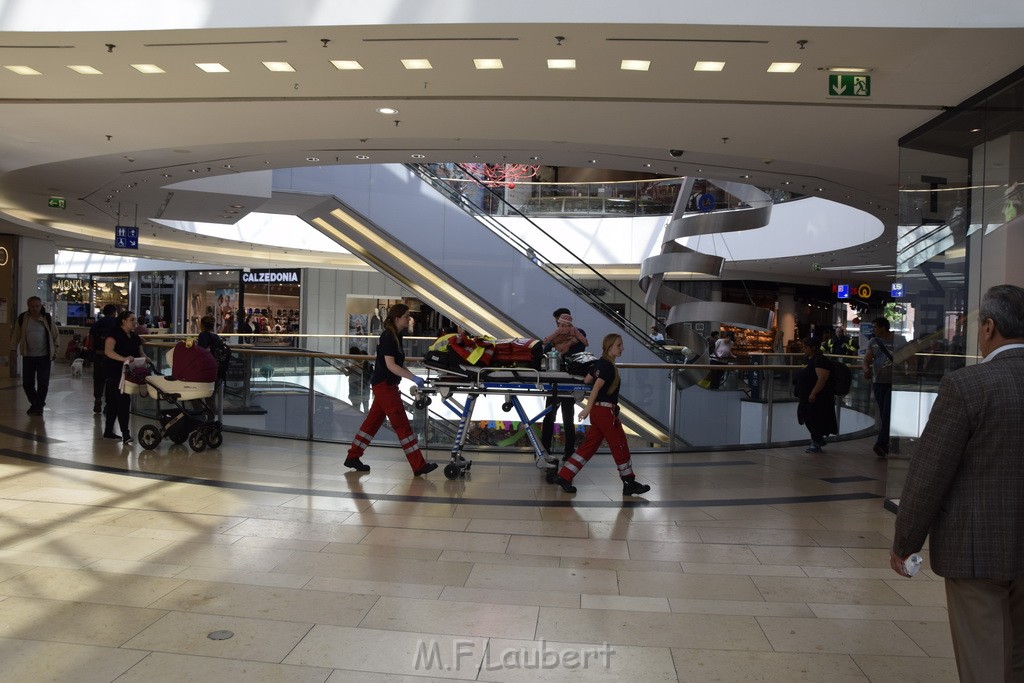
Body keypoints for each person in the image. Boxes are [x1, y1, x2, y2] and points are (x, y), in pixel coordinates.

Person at [890, 284, 1024, 682]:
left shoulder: (968, 386)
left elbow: (929, 473)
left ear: (988, 327)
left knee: (984, 662)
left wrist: (905, 543)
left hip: (978, 550)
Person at [552, 333, 651, 496]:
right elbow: (596, 387)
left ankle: (564, 476)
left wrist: (590, 409)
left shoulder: (600, 363)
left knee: (588, 447)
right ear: (609, 347)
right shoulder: (607, 366)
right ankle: (629, 482)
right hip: (605, 412)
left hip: (600, 413)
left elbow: (587, 380)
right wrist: (586, 409)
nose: (622, 348)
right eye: (619, 345)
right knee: (619, 444)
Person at [344, 303, 437, 475]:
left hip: (385, 385)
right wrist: (414, 378)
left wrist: (414, 377)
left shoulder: (396, 336)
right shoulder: (388, 337)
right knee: (402, 426)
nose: (409, 319)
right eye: (406, 316)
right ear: (397, 318)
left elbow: (397, 365)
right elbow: (391, 366)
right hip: (385, 387)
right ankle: (418, 465)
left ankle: (353, 457)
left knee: (371, 424)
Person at [541, 308, 588, 461]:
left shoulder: (576, 332)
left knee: (552, 416)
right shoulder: (565, 334)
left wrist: (562, 343)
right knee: (565, 417)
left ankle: (549, 451)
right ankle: (564, 452)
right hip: (566, 380)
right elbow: (547, 348)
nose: (558, 325)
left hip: (560, 379)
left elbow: (549, 349)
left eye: (559, 321)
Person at [862, 316, 907, 458]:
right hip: (879, 382)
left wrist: (910, 374)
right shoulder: (873, 342)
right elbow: (866, 360)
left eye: (875, 327)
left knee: (887, 413)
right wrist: (866, 370)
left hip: (895, 382)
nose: (873, 330)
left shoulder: (899, 340)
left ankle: (881, 444)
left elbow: (910, 358)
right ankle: (894, 441)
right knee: (884, 414)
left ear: (883, 327)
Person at [103, 310, 148, 445]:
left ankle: (108, 431)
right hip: (114, 372)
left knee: (113, 403)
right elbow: (108, 351)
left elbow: (140, 352)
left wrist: (144, 358)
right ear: (123, 321)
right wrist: (123, 359)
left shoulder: (134, 336)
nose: (134, 322)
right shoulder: (114, 335)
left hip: (128, 374)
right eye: (132, 320)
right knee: (122, 401)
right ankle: (125, 433)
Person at [11, 296, 59, 415]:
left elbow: (55, 335)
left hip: (44, 357)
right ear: (28, 306)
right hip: (28, 356)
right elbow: (16, 334)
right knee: (27, 384)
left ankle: (37, 407)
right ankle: (37, 403)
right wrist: (12, 349)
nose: (35, 308)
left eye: (37, 306)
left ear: (41, 305)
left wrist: (55, 351)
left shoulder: (46, 318)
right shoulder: (23, 318)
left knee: (43, 382)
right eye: (32, 306)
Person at [794, 337, 837, 453]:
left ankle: (816, 441)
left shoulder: (820, 361)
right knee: (805, 415)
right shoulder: (809, 360)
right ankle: (817, 439)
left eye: (806, 347)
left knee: (814, 419)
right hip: (806, 396)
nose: (804, 349)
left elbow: (822, 379)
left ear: (813, 348)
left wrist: (813, 393)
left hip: (816, 398)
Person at [88, 304, 119, 414]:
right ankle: (108, 405)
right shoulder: (117, 323)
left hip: (98, 355)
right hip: (112, 356)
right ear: (114, 312)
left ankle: (97, 399)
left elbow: (90, 340)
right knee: (111, 380)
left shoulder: (96, 324)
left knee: (98, 379)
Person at [346, 345, 372, 412]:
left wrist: (345, 368)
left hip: (356, 383)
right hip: (365, 385)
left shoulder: (355, 362)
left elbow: (348, 373)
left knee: (356, 406)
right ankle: (365, 418)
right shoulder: (364, 361)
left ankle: (359, 418)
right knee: (365, 404)